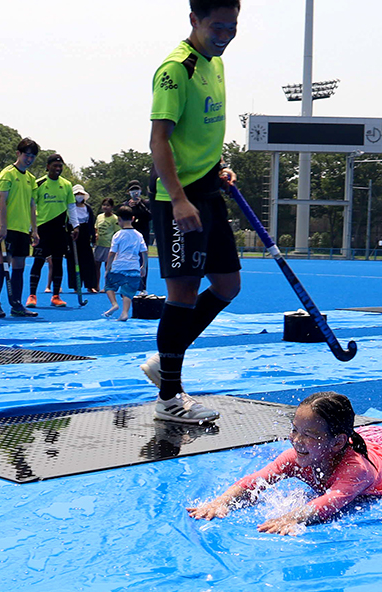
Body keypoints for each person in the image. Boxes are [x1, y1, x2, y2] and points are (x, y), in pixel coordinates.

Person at [141, 0, 242, 425]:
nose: (225, 35)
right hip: (177, 196)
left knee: (227, 285)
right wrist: (179, 199)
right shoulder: (174, 70)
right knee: (182, 293)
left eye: (232, 26)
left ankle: (165, 360)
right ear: (194, 21)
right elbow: (159, 141)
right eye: (217, 26)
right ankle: (168, 397)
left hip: (208, 189)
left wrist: (219, 168)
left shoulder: (215, 63)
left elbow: (199, 132)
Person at [186, 392, 382, 535]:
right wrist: (222, 501)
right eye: (295, 431)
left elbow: (331, 501)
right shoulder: (299, 455)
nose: (297, 441)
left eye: (309, 435)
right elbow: (257, 480)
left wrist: (294, 517)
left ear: (337, 442)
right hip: (367, 443)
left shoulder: (355, 469)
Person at [0, 137, 40, 318]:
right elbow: (2, 202)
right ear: (18, 154)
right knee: (3, 265)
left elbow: (33, 206)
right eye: (27, 155)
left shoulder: (32, 179)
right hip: (6, 229)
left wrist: (34, 230)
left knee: (19, 267)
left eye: (33, 156)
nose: (30, 159)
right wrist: (2, 226)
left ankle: (17, 304)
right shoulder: (7, 173)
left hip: (22, 230)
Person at [28, 153, 78, 308]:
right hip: (42, 229)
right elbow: (31, 206)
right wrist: (32, 229)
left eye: (60, 166)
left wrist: (76, 226)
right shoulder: (39, 183)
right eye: (55, 166)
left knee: (57, 262)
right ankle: (32, 296)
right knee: (38, 261)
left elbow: (71, 207)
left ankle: (56, 296)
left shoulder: (67, 185)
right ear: (48, 166)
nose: (57, 169)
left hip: (60, 229)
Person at [103, 205, 148, 321]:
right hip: (133, 267)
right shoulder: (138, 235)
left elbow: (112, 253)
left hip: (119, 266)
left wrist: (108, 268)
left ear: (119, 219)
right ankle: (124, 313)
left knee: (109, 286)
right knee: (128, 291)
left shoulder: (117, 235)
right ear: (132, 218)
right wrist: (143, 267)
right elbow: (144, 251)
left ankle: (114, 304)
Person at [122, 179, 153, 293]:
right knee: (127, 261)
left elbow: (150, 216)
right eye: (132, 190)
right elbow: (122, 218)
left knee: (142, 262)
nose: (135, 192)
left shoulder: (146, 203)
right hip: (128, 237)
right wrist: (131, 207)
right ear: (128, 192)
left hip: (142, 237)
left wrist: (140, 205)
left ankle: (142, 287)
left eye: (137, 189)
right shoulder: (125, 205)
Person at [72, 184, 97, 293]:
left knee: (88, 261)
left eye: (81, 194)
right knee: (74, 261)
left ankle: (90, 285)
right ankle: (76, 285)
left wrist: (93, 238)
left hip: (85, 235)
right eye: (77, 194)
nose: (79, 196)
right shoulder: (71, 207)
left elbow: (91, 223)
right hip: (74, 234)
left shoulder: (88, 208)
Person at [93, 198, 119, 292]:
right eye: (104, 205)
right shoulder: (99, 217)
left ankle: (107, 286)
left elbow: (117, 232)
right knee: (96, 266)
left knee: (108, 267)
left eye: (108, 205)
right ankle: (96, 286)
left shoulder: (115, 218)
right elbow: (96, 228)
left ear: (112, 207)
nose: (105, 207)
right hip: (99, 244)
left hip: (109, 246)